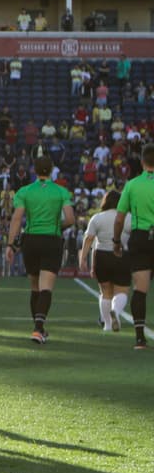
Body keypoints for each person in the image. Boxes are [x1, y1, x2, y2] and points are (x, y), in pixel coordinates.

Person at [5, 155, 75, 344]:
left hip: (31, 240)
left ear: (34, 171)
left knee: (34, 286)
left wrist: (11, 244)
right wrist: (57, 225)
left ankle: (39, 328)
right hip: (52, 239)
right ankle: (38, 328)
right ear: (51, 170)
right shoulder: (61, 191)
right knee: (46, 287)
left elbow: (17, 219)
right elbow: (70, 218)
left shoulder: (24, 191)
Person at [113, 144, 154, 350]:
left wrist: (116, 241)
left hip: (140, 237)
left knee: (140, 289)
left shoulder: (132, 185)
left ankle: (140, 338)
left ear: (142, 162)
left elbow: (119, 219)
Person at [79, 190, 131, 333]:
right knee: (122, 290)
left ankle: (107, 325)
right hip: (121, 254)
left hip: (102, 256)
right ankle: (115, 310)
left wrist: (83, 258)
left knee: (105, 292)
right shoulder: (127, 217)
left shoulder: (97, 217)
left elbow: (89, 239)